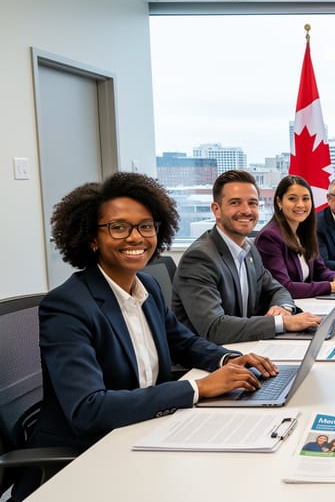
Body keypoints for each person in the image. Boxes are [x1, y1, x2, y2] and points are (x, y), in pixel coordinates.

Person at [12, 173, 279, 501]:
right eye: (118, 227)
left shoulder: (147, 286)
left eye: (146, 226)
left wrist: (227, 359)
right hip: (86, 459)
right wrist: (198, 387)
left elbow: (183, 341)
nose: (135, 237)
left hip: (145, 432)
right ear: (91, 238)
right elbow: (88, 409)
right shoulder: (68, 305)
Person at [172, 170, 321, 345]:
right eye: (235, 203)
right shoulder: (199, 258)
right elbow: (214, 328)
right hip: (205, 361)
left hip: (242, 346)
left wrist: (283, 308)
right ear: (216, 209)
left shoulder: (248, 248)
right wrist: (282, 322)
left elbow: (278, 290)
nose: (246, 210)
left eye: (252, 203)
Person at [256, 175, 335, 298]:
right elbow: (284, 287)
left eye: (306, 199)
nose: (301, 205)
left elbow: (320, 269)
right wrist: (331, 286)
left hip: (305, 303)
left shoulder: (303, 231)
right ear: (279, 202)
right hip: (282, 310)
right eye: (292, 199)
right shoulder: (269, 237)